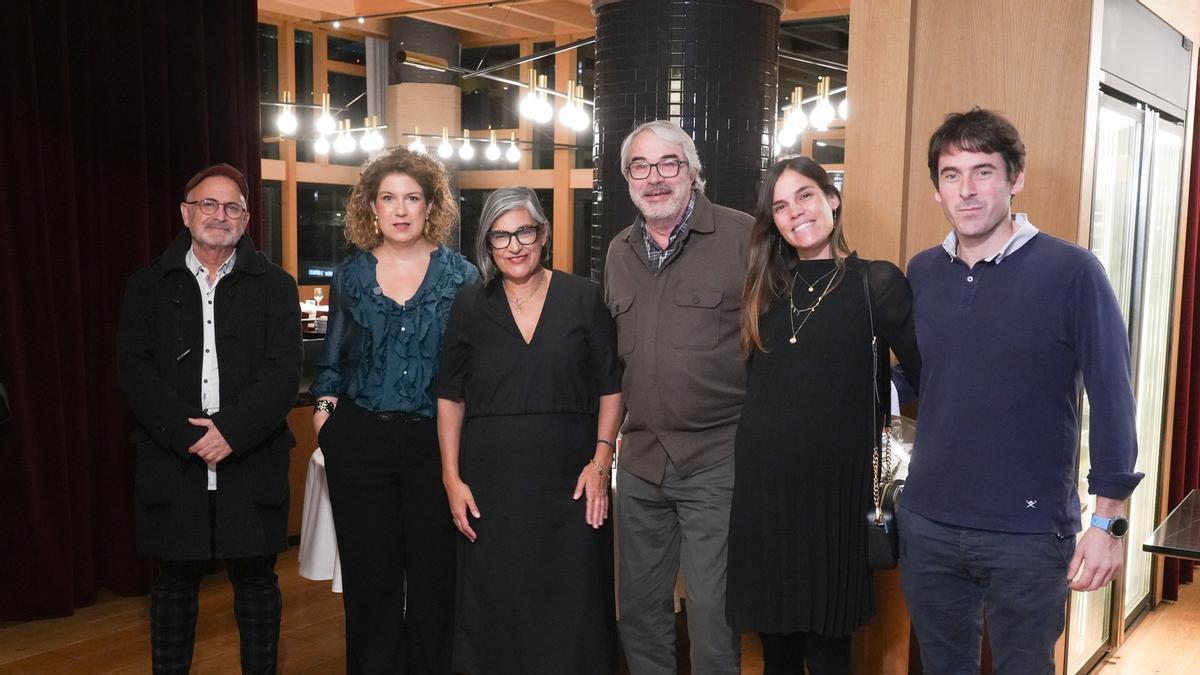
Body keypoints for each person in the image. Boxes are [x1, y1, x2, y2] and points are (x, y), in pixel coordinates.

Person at [899, 108, 1143, 674]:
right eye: (952, 174)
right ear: (937, 188)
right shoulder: (923, 271)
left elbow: (1112, 397)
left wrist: (1107, 523)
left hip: (1029, 531)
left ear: (1015, 178)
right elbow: (922, 374)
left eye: (983, 172)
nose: (966, 190)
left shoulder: (1073, 272)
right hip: (929, 522)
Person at [726, 156, 921, 674]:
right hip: (764, 495)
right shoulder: (765, 288)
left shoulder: (875, 282)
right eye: (781, 206)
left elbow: (926, 372)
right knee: (777, 655)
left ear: (832, 198)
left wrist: (874, 391)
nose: (796, 212)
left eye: (805, 196)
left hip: (837, 495)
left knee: (829, 653)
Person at [117, 163, 301, 675]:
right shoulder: (146, 286)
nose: (220, 215)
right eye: (208, 204)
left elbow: (284, 372)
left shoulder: (277, 287)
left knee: (257, 583)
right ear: (186, 213)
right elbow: (134, 370)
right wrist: (189, 436)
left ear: (246, 219)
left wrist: (232, 432)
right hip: (174, 461)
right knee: (174, 585)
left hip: (252, 460)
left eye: (232, 207)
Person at [436, 186, 622, 674]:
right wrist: (451, 479)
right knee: (496, 606)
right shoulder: (469, 304)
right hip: (491, 491)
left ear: (544, 234)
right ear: (488, 243)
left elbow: (611, 388)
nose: (514, 246)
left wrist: (600, 462)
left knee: (574, 608)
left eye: (524, 231)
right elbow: (450, 398)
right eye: (501, 236)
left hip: (572, 486)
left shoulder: (583, 297)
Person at [309, 147, 479, 674]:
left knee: (435, 583)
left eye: (412, 198)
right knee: (370, 585)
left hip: (435, 447)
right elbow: (331, 364)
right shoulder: (350, 276)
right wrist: (324, 421)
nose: (400, 209)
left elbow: (473, 370)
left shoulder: (463, 277)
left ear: (431, 206)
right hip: (360, 443)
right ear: (372, 207)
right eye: (388, 198)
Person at [604, 120, 752, 675]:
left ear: (693, 171)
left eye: (669, 163)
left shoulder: (744, 237)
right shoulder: (619, 252)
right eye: (640, 166)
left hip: (717, 460)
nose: (655, 178)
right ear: (627, 179)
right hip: (640, 461)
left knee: (713, 617)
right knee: (640, 614)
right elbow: (613, 364)